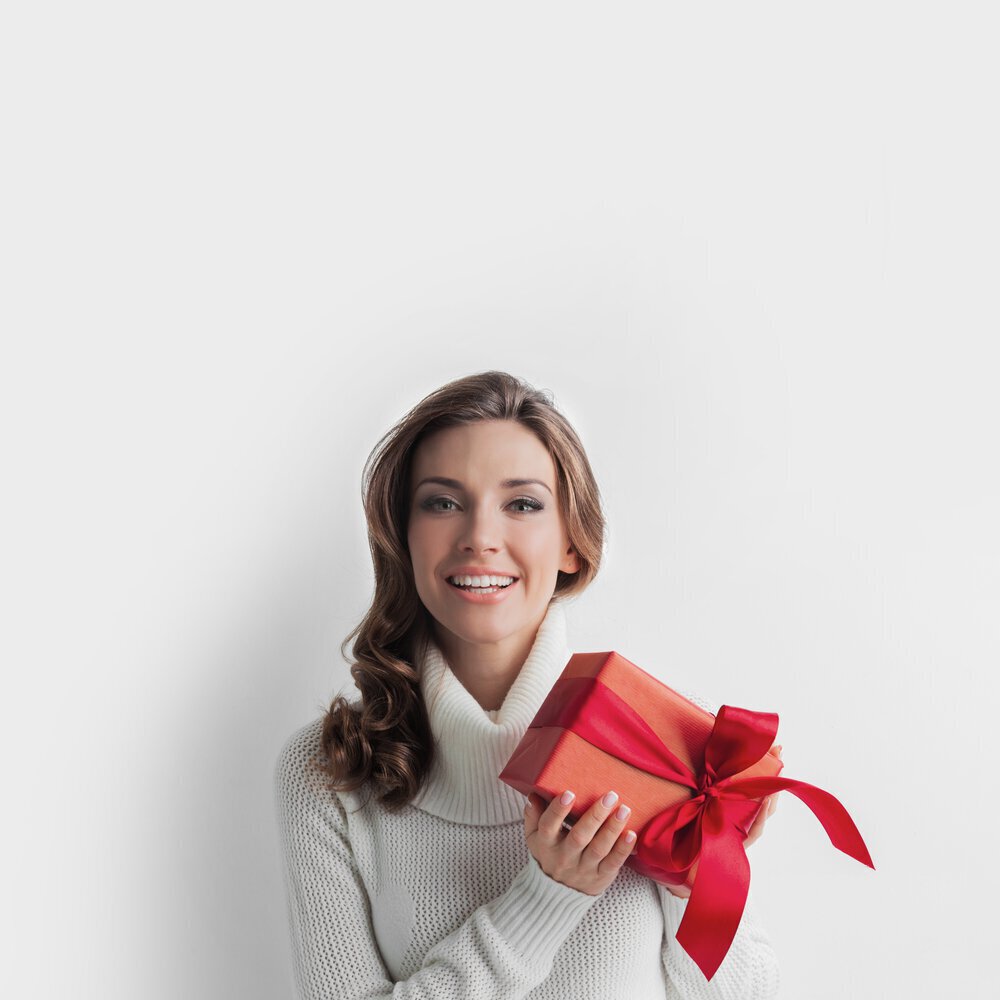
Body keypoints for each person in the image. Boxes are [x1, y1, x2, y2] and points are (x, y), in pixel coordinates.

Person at [273, 370, 781, 998]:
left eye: (522, 504)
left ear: (572, 541)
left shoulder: (671, 740)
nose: (481, 537)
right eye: (442, 502)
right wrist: (546, 900)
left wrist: (694, 886)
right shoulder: (328, 772)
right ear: (402, 536)